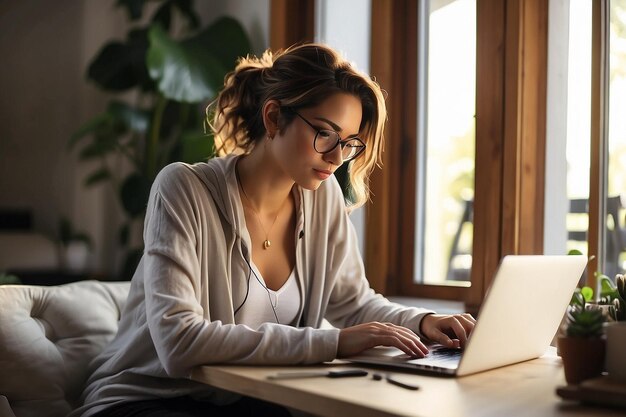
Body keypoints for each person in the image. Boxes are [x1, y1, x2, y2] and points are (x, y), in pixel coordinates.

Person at [72, 43, 476, 417]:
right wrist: (334, 342)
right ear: (272, 117)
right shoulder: (183, 189)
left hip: (239, 400)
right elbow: (179, 343)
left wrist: (422, 321)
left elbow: (353, 303)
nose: (337, 157)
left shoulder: (324, 199)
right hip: (144, 398)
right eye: (324, 134)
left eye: (350, 142)